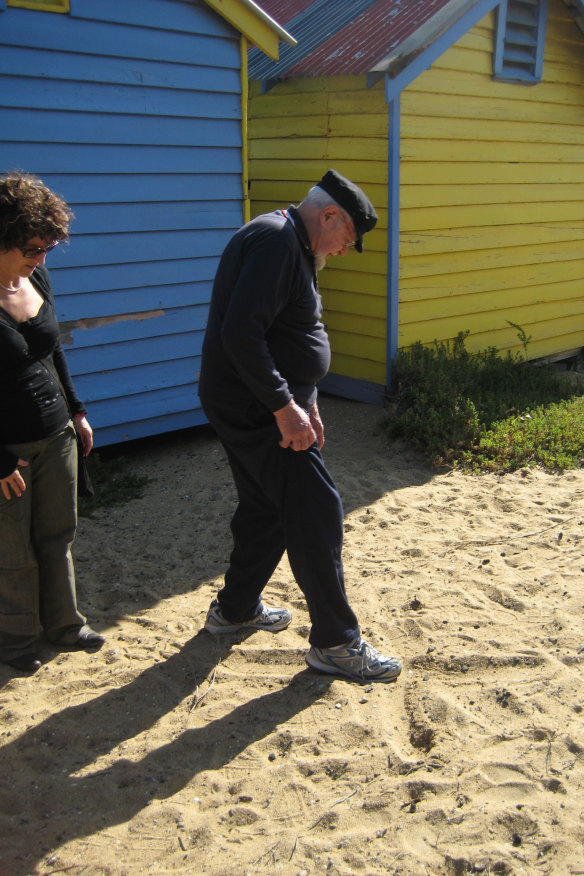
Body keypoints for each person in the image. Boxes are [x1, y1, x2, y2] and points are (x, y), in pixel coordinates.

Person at [198, 169, 402, 682]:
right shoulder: (275, 241)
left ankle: (235, 608)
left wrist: (305, 399)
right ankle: (336, 642)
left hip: (259, 402)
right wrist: (283, 407)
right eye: (345, 240)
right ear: (329, 215)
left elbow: (289, 329)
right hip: (254, 407)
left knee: (268, 507)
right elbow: (241, 334)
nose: (339, 251)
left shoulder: (292, 241)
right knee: (316, 509)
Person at [0, 171, 104, 674]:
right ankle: (17, 643)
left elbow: (53, 348)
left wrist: (77, 410)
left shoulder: (36, 277)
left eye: (47, 247)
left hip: (56, 433)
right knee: (11, 550)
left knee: (57, 533)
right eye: (32, 247)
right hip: (9, 450)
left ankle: (64, 626)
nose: (41, 257)